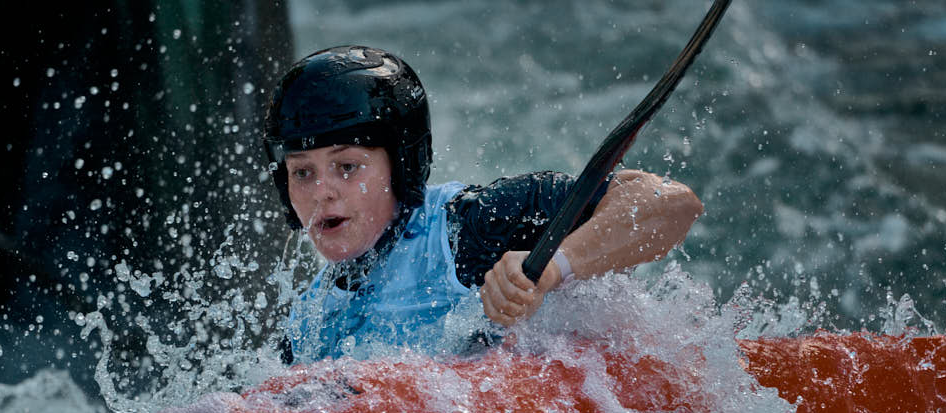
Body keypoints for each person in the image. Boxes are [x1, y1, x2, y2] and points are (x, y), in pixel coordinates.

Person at [264, 45, 703, 365]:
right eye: (303, 173)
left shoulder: (472, 228)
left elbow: (672, 205)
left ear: (401, 167)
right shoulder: (311, 321)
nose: (321, 192)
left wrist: (553, 268)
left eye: (346, 167)